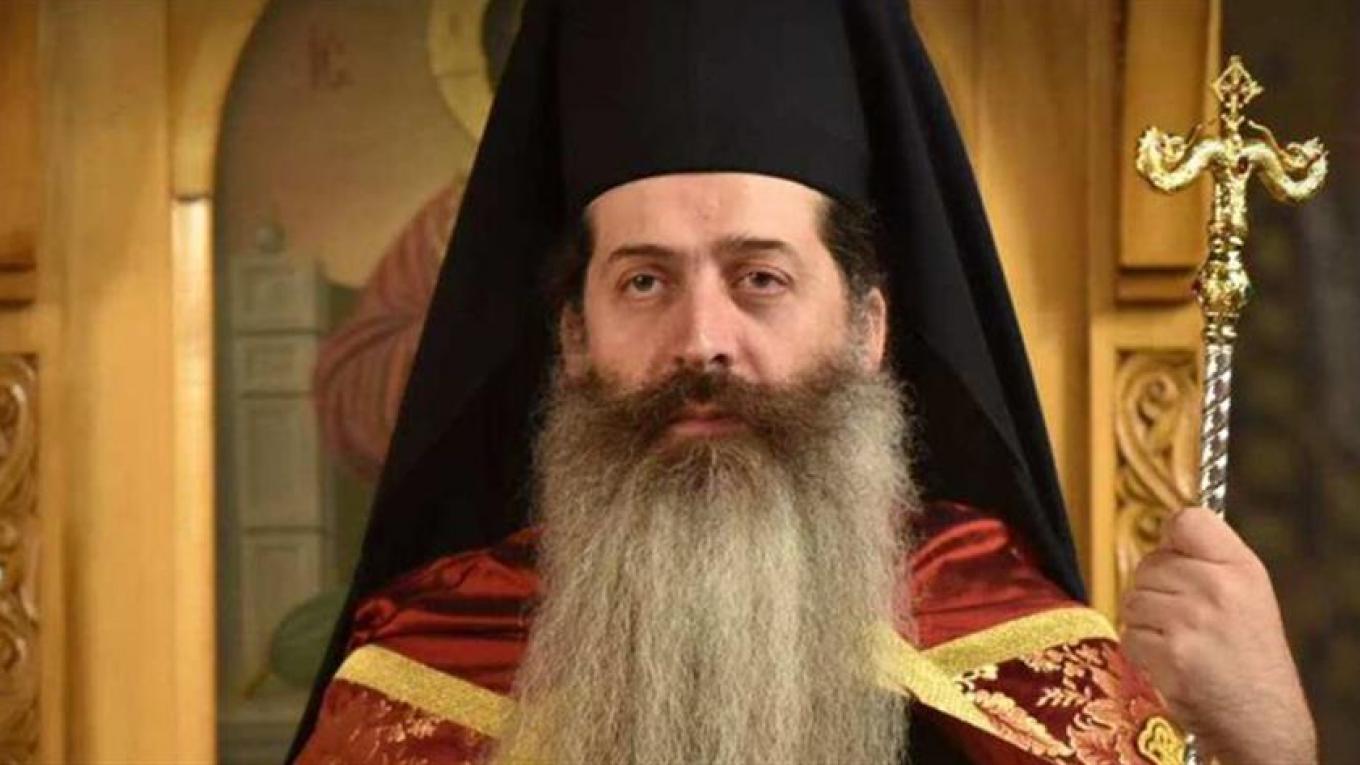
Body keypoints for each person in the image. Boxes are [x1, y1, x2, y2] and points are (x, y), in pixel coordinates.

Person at [289, 1, 1317, 763]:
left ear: (868, 327)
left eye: (761, 279)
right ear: (572, 338)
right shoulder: (418, 685)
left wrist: (1268, 746)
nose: (702, 341)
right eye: (644, 281)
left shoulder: (1024, 680)